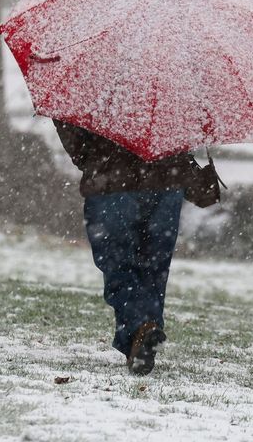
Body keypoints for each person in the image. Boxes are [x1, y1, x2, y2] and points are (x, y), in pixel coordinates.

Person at [54, 119, 221, 375]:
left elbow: (70, 126)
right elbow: (193, 127)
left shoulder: (93, 85)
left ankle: (139, 327)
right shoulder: (178, 82)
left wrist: (92, 158)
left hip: (113, 178)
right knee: (154, 264)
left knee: (117, 262)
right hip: (167, 178)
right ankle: (146, 329)